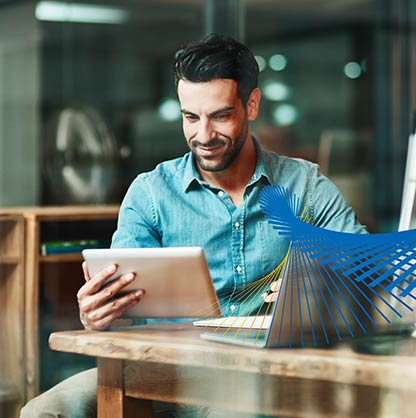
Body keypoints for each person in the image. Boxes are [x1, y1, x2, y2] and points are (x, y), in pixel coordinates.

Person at [20, 33, 367, 418]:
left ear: (251, 105)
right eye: (190, 117)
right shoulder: (151, 193)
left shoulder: (306, 187)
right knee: (42, 412)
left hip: (258, 377)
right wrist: (96, 315)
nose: (203, 136)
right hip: (157, 370)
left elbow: (366, 273)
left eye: (220, 116)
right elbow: (120, 304)